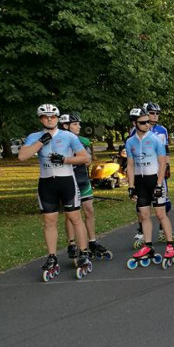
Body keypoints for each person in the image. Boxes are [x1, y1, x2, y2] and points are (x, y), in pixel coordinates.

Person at [20, 104, 93, 281]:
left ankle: (83, 252)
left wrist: (65, 159)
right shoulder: (34, 136)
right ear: (40, 119)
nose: (49, 119)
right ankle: (52, 256)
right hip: (46, 183)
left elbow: (86, 158)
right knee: (49, 221)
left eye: (52, 116)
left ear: (58, 118)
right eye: (45, 117)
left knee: (75, 218)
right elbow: (22, 156)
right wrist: (40, 143)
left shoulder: (68, 136)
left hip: (66, 181)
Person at [124, 108, 174, 269]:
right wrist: (131, 187)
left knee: (160, 213)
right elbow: (130, 165)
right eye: (143, 122)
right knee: (144, 214)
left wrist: (160, 184)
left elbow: (162, 163)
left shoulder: (155, 140)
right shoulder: (130, 142)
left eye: (148, 121)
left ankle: (170, 245)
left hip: (154, 178)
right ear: (134, 123)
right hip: (140, 181)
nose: (147, 124)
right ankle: (147, 245)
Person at [58, 113, 111, 263]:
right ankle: (72, 243)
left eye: (79, 124)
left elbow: (88, 161)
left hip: (82, 180)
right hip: (68, 180)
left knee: (89, 209)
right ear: (65, 126)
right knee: (71, 214)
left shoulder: (83, 141)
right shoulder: (59, 141)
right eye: (75, 124)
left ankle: (92, 241)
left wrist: (78, 157)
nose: (79, 126)